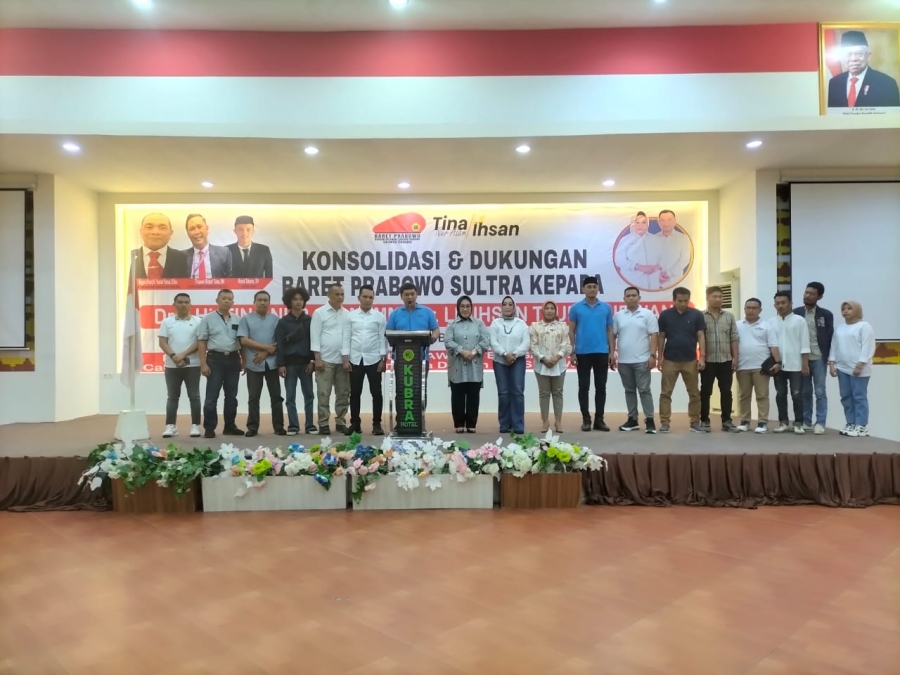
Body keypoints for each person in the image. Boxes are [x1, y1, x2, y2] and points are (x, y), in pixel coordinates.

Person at [385, 282, 439, 427]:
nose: (410, 297)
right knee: (402, 390)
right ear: (401, 297)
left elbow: (435, 330)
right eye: (406, 295)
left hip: (421, 359)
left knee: (420, 390)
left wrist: (433, 338)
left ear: (416, 295)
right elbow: (389, 333)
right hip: (401, 360)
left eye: (412, 294)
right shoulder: (395, 314)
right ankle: (401, 422)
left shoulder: (427, 312)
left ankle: (419, 421)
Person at [568, 276, 616, 432]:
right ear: (583, 289)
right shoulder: (575, 308)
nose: (592, 289)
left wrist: (612, 351)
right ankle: (586, 419)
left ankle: (599, 420)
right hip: (582, 353)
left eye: (594, 287)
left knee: (601, 387)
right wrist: (572, 352)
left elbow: (610, 330)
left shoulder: (606, 308)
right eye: (588, 287)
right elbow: (571, 331)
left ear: (598, 289)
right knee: (584, 387)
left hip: (602, 352)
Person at [658, 287, 706, 434]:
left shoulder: (697, 314)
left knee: (694, 393)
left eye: (686, 301)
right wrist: (660, 357)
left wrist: (702, 357)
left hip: (690, 360)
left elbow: (701, 335)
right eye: (680, 301)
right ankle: (665, 422)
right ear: (673, 300)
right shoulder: (665, 315)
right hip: (670, 359)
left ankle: (695, 422)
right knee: (666, 393)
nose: (683, 303)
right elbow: (661, 336)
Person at [197, 288, 244, 438]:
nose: (227, 301)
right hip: (215, 360)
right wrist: (203, 363)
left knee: (231, 397)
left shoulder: (237, 319)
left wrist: (243, 360)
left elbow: (241, 341)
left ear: (233, 302)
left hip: (233, 359)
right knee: (211, 397)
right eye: (224, 298)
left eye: (230, 299)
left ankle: (230, 426)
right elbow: (202, 341)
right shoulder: (207, 319)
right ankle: (209, 428)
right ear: (217, 300)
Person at [238, 290, 284, 437]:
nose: (263, 302)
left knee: (276, 397)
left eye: (265, 300)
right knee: (253, 398)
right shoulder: (246, 319)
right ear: (254, 302)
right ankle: (252, 427)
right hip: (253, 364)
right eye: (260, 300)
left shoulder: (276, 320)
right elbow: (243, 340)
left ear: (269, 303)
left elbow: (280, 342)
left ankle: (279, 427)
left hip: (272, 364)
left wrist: (266, 353)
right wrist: (266, 348)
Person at [613, 286, 659, 434]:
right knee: (629, 391)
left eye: (634, 295)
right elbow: (612, 336)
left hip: (643, 360)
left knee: (644, 390)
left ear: (639, 298)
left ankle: (650, 420)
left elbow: (654, 335)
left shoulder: (647, 314)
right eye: (628, 296)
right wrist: (612, 354)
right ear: (624, 299)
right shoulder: (618, 316)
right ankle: (632, 419)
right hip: (624, 361)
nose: (631, 298)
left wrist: (652, 355)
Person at [829, 301, 876, 438]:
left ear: (856, 310)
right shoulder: (839, 327)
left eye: (849, 308)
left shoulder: (864, 326)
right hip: (842, 367)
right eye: (843, 309)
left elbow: (868, 346)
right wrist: (832, 363)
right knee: (846, 396)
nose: (846, 311)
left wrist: (860, 364)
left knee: (859, 396)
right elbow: (834, 346)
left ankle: (861, 425)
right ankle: (851, 423)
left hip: (859, 369)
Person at [157, 293, 201, 438]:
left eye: (186, 302)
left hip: (193, 365)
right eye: (180, 302)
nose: (183, 305)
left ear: (190, 304)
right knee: (172, 397)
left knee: (194, 396)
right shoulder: (167, 322)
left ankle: (195, 425)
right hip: (172, 365)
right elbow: (162, 342)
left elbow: (200, 343)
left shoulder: (198, 322)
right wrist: (174, 356)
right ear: (174, 305)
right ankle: (171, 426)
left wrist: (183, 355)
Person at [445, 295, 490, 434]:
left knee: (473, 395)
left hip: (474, 365)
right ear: (458, 308)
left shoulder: (479, 324)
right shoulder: (452, 325)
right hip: (457, 365)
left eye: (468, 306)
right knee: (457, 395)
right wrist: (462, 351)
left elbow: (486, 340)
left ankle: (471, 423)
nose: (465, 309)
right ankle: (458, 423)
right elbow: (448, 342)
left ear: (471, 308)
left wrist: (474, 351)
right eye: (462, 306)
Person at [310, 283, 351, 436]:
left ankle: (340, 422)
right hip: (324, 360)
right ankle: (323, 423)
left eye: (342, 294)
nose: (340, 297)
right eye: (337, 294)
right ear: (328, 295)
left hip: (342, 362)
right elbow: (315, 337)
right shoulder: (319, 313)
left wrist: (346, 359)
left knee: (343, 394)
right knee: (323, 394)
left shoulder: (347, 314)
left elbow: (347, 338)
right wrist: (317, 358)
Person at [735, 298, 780, 434]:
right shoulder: (737, 325)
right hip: (742, 365)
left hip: (761, 367)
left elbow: (773, 345)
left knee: (762, 395)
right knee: (744, 395)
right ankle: (745, 421)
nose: (751, 310)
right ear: (744, 309)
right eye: (748, 307)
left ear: (760, 310)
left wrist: (778, 362)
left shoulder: (767, 326)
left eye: (754, 308)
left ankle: (762, 423)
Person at [794, 281, 834, 434]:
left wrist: (830, 359)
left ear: (819, 297)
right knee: (805, 391)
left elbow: (830, 337)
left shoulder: (826, 314)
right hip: (801, 358)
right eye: (806, 292)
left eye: (812, 294)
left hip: (818, 358)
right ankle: (806, 421)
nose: (807, 296)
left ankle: (820, 422)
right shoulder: (796, 313)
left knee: (820, 391)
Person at [275, 286, 316, 436]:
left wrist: (313, 361)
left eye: (301, 299)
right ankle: (293, 425)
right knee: (290, 397)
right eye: (295, 299)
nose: (298, 302)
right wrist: (281, 364)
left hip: (306, 364)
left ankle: (310, 425)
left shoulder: (310, 321)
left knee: (309, 396)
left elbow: (314, 342)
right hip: (289, 364)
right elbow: (279, 344)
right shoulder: (283, 322)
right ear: (289, 302)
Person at [348, 285, 388, 436]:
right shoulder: (350, 316)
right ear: (358, 298)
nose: (367, 300)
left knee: (376, 393)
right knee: (354, 393)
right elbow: (347, 337)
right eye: (364, 297)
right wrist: (346, 358)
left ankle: (377, 424)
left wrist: (383, 359)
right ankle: (355, 424)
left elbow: (382, 339)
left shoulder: (379, 316)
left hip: (374, 360)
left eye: (370, 297)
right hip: (355, 359)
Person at [826, 31, 900, 109]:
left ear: (868, 56)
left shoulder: (887, 84)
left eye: (859, 54)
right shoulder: (834, 83)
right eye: (848, 54)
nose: (854, 59)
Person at [700, 286, 739, 432]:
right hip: (708, 361)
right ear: (707, 298)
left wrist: (735, 358)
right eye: (714, 296)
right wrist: (700, 358)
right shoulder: (700, 316)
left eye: (720, 297)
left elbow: (734, 338)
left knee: (726, 392)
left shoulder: (729, 316)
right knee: (705, 392)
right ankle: (704, 420)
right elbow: (696, 338)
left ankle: (727, 421)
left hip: (725, 360)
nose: (718, 299)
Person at [529, 300, 572, 434]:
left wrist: (557, 357)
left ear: (555, 311)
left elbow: (566, 345)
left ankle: (558, 421)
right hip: (541, 365)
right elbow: (533, 345)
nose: (549, 310)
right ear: (542, 310)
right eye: (546, 308)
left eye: (552, 308)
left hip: (559, 365)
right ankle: (545, 421)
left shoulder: (563, 326)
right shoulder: (535, 326)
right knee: (544, 393)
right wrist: (543, 359)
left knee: (558, 393)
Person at [772, 291, 810, 434]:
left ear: (790, 304)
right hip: (778, 365)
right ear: (774, 305)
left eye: (783, 302)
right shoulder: (771, 322)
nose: (780, 306)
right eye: (777, 303)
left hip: (796, 365)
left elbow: (805, 344)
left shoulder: (800, 321)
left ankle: (798, 423)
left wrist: (805, 365)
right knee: (780, 394)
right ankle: (783, 422)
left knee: (797, 394)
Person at [490, 296, 530, 434]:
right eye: (505, 304)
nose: (507, 307)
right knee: (503, 393)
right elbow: (493, 342)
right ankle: (505, 424)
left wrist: (514, 355)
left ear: (514, 307)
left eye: (510, 304)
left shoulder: (521, 324)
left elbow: (526, 343)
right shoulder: (495, 323)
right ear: (501, 307)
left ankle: (518, 425)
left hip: (517, 360)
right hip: (500, 361)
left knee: (517, 392)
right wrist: (504, 354)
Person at [129, 212, 188, 279]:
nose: (155, 232)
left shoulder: (184, 259)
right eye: (149, 227)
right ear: (141, 232)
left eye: (162, 228)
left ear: (171, 233)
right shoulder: (128, 257)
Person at [614, 211, 661, 289]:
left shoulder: (656, 239)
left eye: (644, 222)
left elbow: (665, 257)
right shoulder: (625, 240)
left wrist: (657, 267)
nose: (640, 225)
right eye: (637, 222)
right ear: (633, 224)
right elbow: (619, 260)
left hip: (653, 284)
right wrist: (638, 267)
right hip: (631, 283)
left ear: (647, 224)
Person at [183, 213, 234, 279]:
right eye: (192, 229)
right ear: (188, 233)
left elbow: (231, 281)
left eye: (199, 227)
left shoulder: (224, 253)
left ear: (207, 229)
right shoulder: (181, 257)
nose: (196, 232)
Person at [654, 210, 692, 289]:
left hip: (675, 282)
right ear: (659, 222)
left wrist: (669, 273)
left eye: (669, 220)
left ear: (674, 221)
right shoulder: (654, 238)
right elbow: (650, 260)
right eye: (663, 220)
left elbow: (685, 259)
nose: (666, 223)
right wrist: (657, 275)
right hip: (656, 283)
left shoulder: (682, 238)